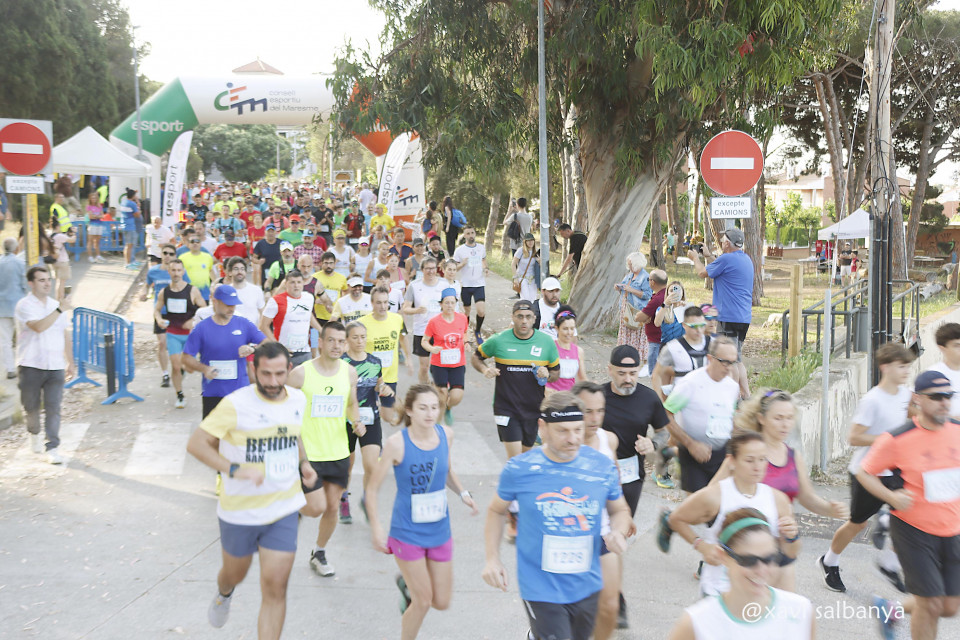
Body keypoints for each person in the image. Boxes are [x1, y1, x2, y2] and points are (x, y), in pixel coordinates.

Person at [185, 342, 318, 640]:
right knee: (235, 573)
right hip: (240, 511)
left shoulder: (298, 399)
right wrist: (233, 469)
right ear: (253, 369)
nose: (273, 381)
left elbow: (293, 435)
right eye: (266, 374)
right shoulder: (235, 404)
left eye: (279, 374)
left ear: (289, 370)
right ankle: (224, 593)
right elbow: (196, 444)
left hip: (283, 506)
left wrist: (304, 463)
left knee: (276, 587)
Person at [481, 392, 633, 640]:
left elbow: (620, 510)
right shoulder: (521, 469)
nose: (572, 439)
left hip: (587, 583)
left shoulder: (601, 466)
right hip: (540, 587)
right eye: (563, 431)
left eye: (577, 430)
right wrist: (492, 559)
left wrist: (618, 531)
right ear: (543, 428)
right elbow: (496, 510)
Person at [709, 388, 851, 591]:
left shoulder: (793, 457)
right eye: (778, 418)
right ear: (761, 418)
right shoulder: (746, 453)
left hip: (780, 547)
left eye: (789, 418)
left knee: (781, 606)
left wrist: (829, 509)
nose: (785, 424)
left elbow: (806, 497)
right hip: (744, 547)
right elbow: (711, 493)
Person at [366, 384, 478, 639]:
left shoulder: (446, 435)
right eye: (423, 408)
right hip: (407, 532)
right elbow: (372, 489)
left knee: (441, 602)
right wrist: (376, 528)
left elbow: (446, 470)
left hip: (439, 529)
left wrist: (464, 494)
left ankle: (408, 586)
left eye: (434, 408)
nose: (430, 414)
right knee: (423, 602)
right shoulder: (396, 444)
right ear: (410, 410)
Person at [857, 369, 960, 640]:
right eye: (936, 397)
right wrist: (891, 497)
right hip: (913, 529)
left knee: (949, 606)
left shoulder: (958, 431)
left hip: (953, 528)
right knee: (930, 603)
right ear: (917, 398)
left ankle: (890, 609)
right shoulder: (897, 439)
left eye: (948, 396)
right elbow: (864, 472)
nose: (944, 402)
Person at [818, 343, 914, 595]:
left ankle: (889, 563)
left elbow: (912, 421)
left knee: (908, 515)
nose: (906, 371)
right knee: (857, 524)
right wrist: (887, 439)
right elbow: (854, 437)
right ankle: (829, 561)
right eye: (901, 366)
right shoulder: (872, 400)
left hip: (894, 470)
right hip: (866, 471)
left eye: (908, 366)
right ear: (885, 367)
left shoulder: (907, 395)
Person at [668, 430, 800, 596]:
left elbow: (791, 551)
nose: (757, 466)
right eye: (749, 460)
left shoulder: (778, 499)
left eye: (762, 459)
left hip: (759, 593)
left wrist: (791, 536)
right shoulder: (715, 495)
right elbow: (676, 518)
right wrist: (702, 546)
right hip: (719, 592)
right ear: (732, 461)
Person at [286, 322, 364, 578]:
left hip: (338, 451)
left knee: (331, 508)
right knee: (314, 508)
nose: (336, 346)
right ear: (320, 342)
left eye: (341, 341)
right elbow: (284, 411)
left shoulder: (349, 372)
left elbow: (351, 403)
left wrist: (357, 421)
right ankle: (287, 507)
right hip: (309, 454)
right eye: (331, 340)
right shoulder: (300, 374)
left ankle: (319, 552)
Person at [668, 509, 815, 640]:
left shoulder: (801, 611)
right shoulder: (696, 624)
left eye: (769, 558)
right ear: (723, 556)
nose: (762, 570)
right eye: (749, 560)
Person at [572, 381, 631, 637]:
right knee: (572, 609)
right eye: (588, 411)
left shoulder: (609, 440)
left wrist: (623, 512)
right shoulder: (564, 444)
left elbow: (615, 480)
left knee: (609, 607)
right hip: (569, 536)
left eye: (600, 411)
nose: (595, 418)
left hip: (603, 531)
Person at [472, 300, 560, 459]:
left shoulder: (546, 342)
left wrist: (547, 374)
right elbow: (476, 357)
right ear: (513, 317)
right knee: (515, 459)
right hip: (506, 408)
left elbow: (556, 373)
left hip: (533, 409)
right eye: (520, 316)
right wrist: (485, 370)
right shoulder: (499, 340)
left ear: (534, 319)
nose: (524, 321)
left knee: (524, 458)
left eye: (528, 316)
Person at [663, 337, 741, 494]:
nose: (728, 367)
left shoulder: (732, 387)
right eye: (724, 362)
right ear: (710, 358)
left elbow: (733, 418)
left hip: (722, 454)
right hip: (694, 453)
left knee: (720, 504)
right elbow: (665, 415)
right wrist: (691, 444)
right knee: (697, 504)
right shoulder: (690, 383)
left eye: (732, 362)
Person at [601, 344, 671, 514]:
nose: (628, 379)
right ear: (610, 370)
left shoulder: (649, 398)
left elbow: (663, 431)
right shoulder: (597, 396)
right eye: (621, 373)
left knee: (624, 521)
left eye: (633, 373)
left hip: (631, 475)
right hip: (600, 471)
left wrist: (652, 444)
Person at [15, 266, 74, 464]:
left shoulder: (56, 305)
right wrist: (60, 310)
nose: (47, 283)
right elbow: (38, 327)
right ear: (31, 283)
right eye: (41, 280)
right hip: (30, 364)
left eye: (48, 279)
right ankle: (34, 433)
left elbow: (64, 334)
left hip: (55, 365)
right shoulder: (24, 305)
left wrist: (70, 362)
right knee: (31, 407)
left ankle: (52, 447)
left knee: (53, 407)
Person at [181, 284, 268, 418]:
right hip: (213, 394)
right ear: (215, 302)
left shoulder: (243, 324)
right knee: (212, 431)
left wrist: (252, 349)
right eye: (227, 304)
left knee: (239, 430)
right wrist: (204, 369)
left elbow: (267, 343)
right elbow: (186, 358)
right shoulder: (201, 328)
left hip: (240, 393)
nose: (231, 308)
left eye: (234, 304)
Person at [688, 227, 753, 398]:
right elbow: (720, 267)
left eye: (723, 240)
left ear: (727, 243)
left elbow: (702, 273)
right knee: (737, 358)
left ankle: (734, 397)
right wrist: (708, 255)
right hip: (743, 317)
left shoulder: (726, 259)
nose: (721, 242)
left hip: (728, 316)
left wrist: (695, 258)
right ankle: (746, 395)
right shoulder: (745, 259)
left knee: (729, 360)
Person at [340, 321, 393, 522]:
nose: (360, 341)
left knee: (372, 466)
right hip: (346, 421)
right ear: (347, 339)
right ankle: (343, 500)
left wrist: (383, 388)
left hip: (371, 418)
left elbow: (378, 384)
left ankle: (367, 499)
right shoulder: (341, 364)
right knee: (347, 465)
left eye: (363, 337)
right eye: (355, 337)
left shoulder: (375, 361)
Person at [155, 259, 206, 409]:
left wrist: (193, 320)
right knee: (176, 366)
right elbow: (157, 310)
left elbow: (204, 309)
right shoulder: (164, 292)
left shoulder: (192, 290)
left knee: (189, 368)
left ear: (183, 272)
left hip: (190, 335)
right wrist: (159, 319)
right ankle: (180, 395)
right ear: (169, 272)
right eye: (173, 270)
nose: (176, 273)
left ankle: (185, 368)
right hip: (173, 333)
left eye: (179, 270)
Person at [360, 287, 409, 426]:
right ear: (372, 303)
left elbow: (403, 338)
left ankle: (382, 408)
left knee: (388, 417)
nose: (382, 306)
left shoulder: (397, 319)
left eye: (385, 302)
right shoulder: (362, 323)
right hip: (369, 377)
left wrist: (408, 358)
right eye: (378, 302)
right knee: (368, 416)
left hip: (389, 376)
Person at [421, 288, 468, 426]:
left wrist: (466, 343)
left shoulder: (462, 318)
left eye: (452, 303)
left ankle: (448, 407)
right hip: (439, 364)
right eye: (446, 302)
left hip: (458, 363)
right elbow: (424, 341)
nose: (449, 305)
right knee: (442, 394)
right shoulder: (434, 322)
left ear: (456, 304)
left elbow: (465, 332)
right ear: (441, 304)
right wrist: (432, 349)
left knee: (457, 396)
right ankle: (436, 425)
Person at [142, 243, 185, 388]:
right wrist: (144, 292)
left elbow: (187, 287)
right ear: (161, 254)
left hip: (177, 313)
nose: (167, 256)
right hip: (160, 312)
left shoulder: (178, 271)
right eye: (165, 253)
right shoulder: (153, 271)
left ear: (175, 256)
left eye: (171, 254)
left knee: (177, 343)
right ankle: (165, 374)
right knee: (162, 343)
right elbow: (147, 284)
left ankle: (178, 367)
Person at [260, 270, 323, 367]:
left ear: (303, 283)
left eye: (299, 282)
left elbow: (308, 315)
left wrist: (321, 330)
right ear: (285, 284)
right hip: (284, 352)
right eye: (292, 282)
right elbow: (263, 326)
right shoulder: (275, 301)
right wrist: (278, 346)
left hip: (305, 351)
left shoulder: (309, 298)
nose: (296, 285)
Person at [651, 306, 711, 400]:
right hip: (681, 401)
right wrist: (660, 402)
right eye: (693, 326)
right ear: (684, 325)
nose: (698, 330)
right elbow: (657, 374)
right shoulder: (672, 347)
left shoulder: (714, 344)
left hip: (706, 398)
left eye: (702, 325)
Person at [402, 257, 446, 384]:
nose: (431, 271)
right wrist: (417, 310)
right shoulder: (414, 286)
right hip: (422, 331)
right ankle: (424, 388)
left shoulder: (444, 284)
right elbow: (405, 309)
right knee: (424, 366)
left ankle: (439, 388)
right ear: (422, 270)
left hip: (441, 330)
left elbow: (452, 305)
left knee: (441, 365)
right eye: (428, 269)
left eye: (433, 268)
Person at [452, 225, 488, 344]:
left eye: (472, 233)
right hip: (466, 285)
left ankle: (477, 331)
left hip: (479, 284)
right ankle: (465, 332)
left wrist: (486, 268)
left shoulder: (481, 248)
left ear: (475, 234)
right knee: (466, 311)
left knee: (481, 311)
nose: (471, 235)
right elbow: (454, 268)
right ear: (464, 236)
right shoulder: (460, 250)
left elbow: (483, 259)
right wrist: (462, 264)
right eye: (468, 233)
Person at [615, 252, 653, 360]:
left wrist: (631, 290)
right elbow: (624, 287)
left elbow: (647, 295)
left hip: (636, 309)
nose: (629, 266)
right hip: (625, 306)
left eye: (630, 264)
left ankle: (636, 354)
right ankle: (624, 352)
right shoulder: (629, 275)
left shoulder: (645, 277)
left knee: (635, 331)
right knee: (625, 330)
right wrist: (619, 287)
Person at [633, 269, 669, 375]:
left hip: (656, 341)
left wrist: (643, 317)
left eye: (648, 279)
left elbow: (639, 317)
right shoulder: (668, 294)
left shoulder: (658, 299)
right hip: (665, 338)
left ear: (652, 282)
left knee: (653, 373)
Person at [0, 238, 26, 379]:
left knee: (5, 340)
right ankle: (23, 365)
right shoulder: (20, 263)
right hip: (18, 304)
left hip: (2, 306)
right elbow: (24, 284)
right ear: (16, 249)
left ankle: (10, 369)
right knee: (22, 337)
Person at [545, 306, 586, 395]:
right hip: (551, 397)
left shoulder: (579, 351)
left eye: (572, 328)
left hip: (569, 397)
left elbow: (582, 378)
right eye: (565, 329)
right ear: (557, 328)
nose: (569, 333)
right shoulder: (549, 348)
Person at [929, 322, 960, 421]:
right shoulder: (933, 374)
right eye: (957, 345)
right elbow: (911, 406)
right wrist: (949, 421)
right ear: (942, 348)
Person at [223, 257, 265, 325]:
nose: (239, 272)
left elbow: (262, 313)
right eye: (236, 269)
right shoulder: (225, 292)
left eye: (242, 269)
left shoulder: (256, 290)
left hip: (252, 329)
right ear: (230, 272)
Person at [312, 252, 348, 326]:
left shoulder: (342, 278)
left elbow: (346, 292)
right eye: (326, 263)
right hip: (318, 316)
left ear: (335, 263)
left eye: (331, 263)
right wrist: (315, 300)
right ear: (321, 263)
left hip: (335, 316)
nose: (328, 266)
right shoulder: (314, 277)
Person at [179, 232, 217, 301]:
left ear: (200, 243)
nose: (195, 243)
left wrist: (215, 283)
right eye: (192, 241)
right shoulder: (182, 258)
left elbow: (210, 271)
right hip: (188, 292)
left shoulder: (208, 257)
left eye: (197, 241)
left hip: (205, 292)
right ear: (188, 244)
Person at [512, 233, 539, 302]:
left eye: (532, 240)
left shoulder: (537, 251)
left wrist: (539, 261)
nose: (530, 242)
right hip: (522, 277)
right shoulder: (520, 250)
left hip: (533, 279)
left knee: (533, 299)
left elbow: (542, 267)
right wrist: (515, 278)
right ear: (525, 242)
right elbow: (513, 264)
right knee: (525, 298)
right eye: (528, 241)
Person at [118, 189, 140, 269]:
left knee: (129, 245)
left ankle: (130, 261)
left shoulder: (123, 202)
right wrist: (137, 203)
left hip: (124, 224)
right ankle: (128, 263)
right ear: (133, 196)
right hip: (130, 226)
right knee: (129, 245)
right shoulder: (132, 204)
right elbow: (137, 214)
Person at [85, 192, 105, 263]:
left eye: (95, 198)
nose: (94, 199)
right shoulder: (89, 206)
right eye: (92, 198)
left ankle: (98, 255)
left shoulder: (99, 206)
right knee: (90, 241)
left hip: (99, 224)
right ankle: (90, 257)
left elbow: (102, 216)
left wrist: (96, 216)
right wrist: (97, 216)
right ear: (90, 199)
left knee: (97, 241)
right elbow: (90, 217)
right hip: (92, 224)